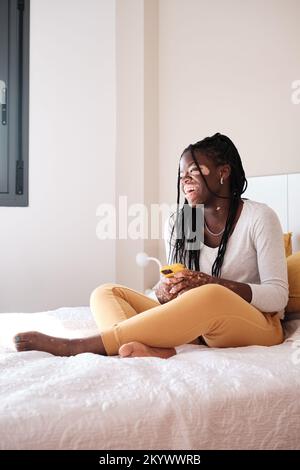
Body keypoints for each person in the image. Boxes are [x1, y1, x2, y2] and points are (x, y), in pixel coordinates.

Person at [14, 133, 288, 358]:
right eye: (182, 174)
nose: (185, 180)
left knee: (211, 294)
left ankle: (80, 346)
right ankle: (149, 348)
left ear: (223, 173)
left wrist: (210, 283)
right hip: (198, 326)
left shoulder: (259, 218)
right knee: (106, 293)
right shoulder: (185, 222)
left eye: (195, 171)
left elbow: (277, 296)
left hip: (257, 325)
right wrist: (165, 291)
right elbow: (175, 285)